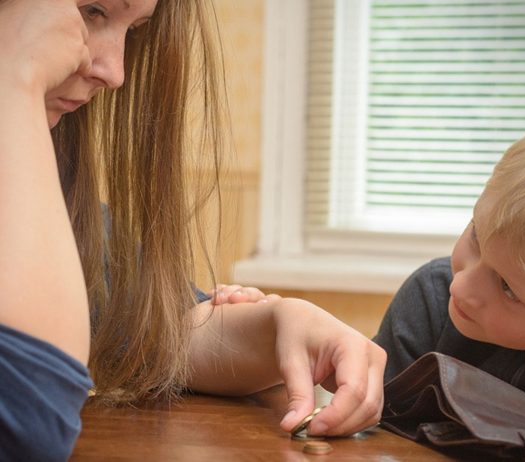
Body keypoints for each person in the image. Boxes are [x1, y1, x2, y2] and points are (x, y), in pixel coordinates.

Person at [0, 1, 386, 459]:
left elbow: (159, 330)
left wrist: (283, 323)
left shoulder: (52, 184)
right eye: (93, 11)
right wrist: (14, 79)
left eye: (135, 29)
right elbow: (28, 426)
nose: (114, 71)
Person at [374, 132, 525, 397]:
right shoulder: (428, 300)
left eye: (507, 287)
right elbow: (375, 419)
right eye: (475, 237)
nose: (460, 286)